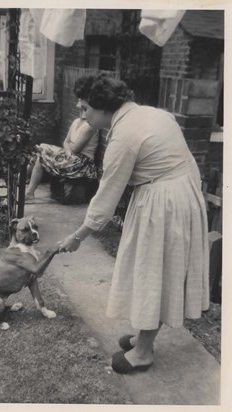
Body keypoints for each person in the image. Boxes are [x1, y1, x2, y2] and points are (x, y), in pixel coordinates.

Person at [58, 73, 209, 374]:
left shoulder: (124, 136)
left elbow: (106, 198)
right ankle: (143, 338)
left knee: (154, 274)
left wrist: (78, 236)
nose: (81, 113)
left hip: (164, 203)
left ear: (102, 109)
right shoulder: (152, 113)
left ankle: (142, 353)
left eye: (85, 108)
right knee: (156, 272)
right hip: (181, 195)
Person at [25, 100, 99, 201]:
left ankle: (24, 181)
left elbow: (76, 149)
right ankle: (28, 189)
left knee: (42, 149)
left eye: (84, 106)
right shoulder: (76, 121)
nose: (81, 109)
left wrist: (69, 148)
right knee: (40, 153)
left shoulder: (90, 126)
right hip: (71, 157)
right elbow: (66, 141)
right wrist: (69, 150)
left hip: (82, 163)